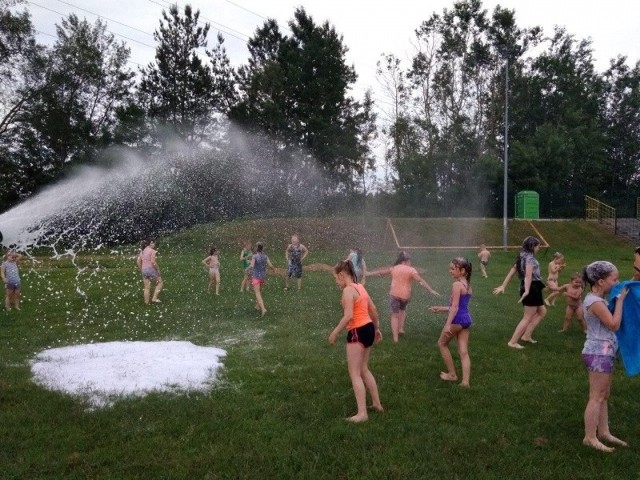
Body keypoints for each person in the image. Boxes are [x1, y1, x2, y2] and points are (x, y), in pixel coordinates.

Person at [580, 261, 628, 453]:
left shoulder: (599, 299)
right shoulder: (596, 302)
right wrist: (621, 301)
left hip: (604, 352)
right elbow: (614, 324)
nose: (616, 282)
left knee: (604, 395)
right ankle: (590, 437)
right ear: (600, 281)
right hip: (598, 353)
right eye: (614, 279)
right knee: (596, 397)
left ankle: (604, 432)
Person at [328, 259, 383, 422]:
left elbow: (349, 316)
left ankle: (362, 414)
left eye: (335, 278)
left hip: (357, 331)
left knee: (354, 372)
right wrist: (377, 328)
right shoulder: (361, 287)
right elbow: (373, 309)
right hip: (368, 329)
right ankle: (377, 404)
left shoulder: (348, 291)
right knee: (364, 369)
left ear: (342, 275)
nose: (336, 282)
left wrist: (335, 333)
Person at [367, 251, 440, 343]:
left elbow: (381, 272)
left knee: (394, 315)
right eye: (410, 261)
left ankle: (395, 338)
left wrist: (369, 274)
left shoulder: (394, 268)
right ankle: (400, 328)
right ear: (405, 261)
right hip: (405, 296)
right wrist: (431, 290)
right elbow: (420, 280)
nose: (410, 263)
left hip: (394, 294)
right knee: (402, 310)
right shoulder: (411, 270)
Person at [494, 236, 547, 348]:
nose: (539, 248)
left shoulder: (521, 256)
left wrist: (503, 285)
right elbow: (528, 275)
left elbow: (513, 270)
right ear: (532, 246)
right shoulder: (530, 259)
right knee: (527, 317)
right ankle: (512, 342)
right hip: (531, 287)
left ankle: (526, 335)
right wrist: (527, 290)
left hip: (531, 286)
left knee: (542, 312)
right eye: (538, 246)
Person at [429, 257, 473, 387]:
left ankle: (452, 374)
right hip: (466, 320)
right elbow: (459, 306)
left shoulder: (457, 285)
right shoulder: (468, 285)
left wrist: (448, 324)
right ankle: (465, 382)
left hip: (456, 320)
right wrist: (440, 308)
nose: (450, 271)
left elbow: (454, 308)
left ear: (463, 270)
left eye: (453, 269)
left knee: (442, 344)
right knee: (463, 351)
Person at [250, 242, 275, 316]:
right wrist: (273, 269)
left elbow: (252, 265)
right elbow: (270, 265)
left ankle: (263, 309)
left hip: (256, 277)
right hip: (262, 277)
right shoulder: (265, 256)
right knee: (260, 291)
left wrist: (249, 267)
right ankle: (257, 305)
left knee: (257, 293)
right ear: (262, 248)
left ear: (256, 248)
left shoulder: (254, 256)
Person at [136, 238, 163, 304]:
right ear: (150, 243)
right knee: (160, 282)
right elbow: (153, 262)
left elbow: (138, 261)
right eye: (154, 243)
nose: (154, 245)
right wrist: (158, 270)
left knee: (146, 287)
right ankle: (154, 298)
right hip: (150, 268)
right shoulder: (152, 251)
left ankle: (146, 303)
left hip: (144, 270)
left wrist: (141, 269)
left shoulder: (142, 251)